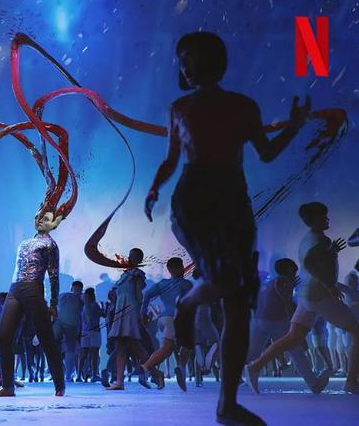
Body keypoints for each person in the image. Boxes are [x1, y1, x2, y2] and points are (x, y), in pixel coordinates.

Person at [144, 32, 311, 425]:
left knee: (238, 303)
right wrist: (154, 187)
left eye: (190, 58)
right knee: (224, 280)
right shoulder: (180, 108)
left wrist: (295, 126)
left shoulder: (242, 106)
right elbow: (172, 158)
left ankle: (227, 403)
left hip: (234, 203)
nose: (185, 67)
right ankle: (187, 303)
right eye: (182, 60)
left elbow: (265, 153)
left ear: (212, 61)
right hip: (195, 201)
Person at [245, 203, 359, 394]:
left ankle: (255, 366)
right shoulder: (319, 240)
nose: (327, 219)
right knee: (357, 331)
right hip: (320, 296)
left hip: (307, 297)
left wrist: (330, 253)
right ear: (313, 219)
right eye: (323, 216)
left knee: (293, 337)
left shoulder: (310, 240)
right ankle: (351, 381)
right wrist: (329, 285)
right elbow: (311, 263)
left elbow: (314, 261)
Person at [0, 211, 66, 397]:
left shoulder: (50, 245)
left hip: (33, 289)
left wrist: (53, 303)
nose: (40, 220)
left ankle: (59, 385)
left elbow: (53, 275)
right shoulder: (23, 243)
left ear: (54, 224)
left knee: (46, 338)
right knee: (3, 337)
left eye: (46, 219)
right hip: (15, 288)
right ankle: (8, 386)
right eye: (38, 217)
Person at [246, 258, 329, 392]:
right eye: (294, 270)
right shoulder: (283, 281)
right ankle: (314, 383)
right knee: (296, 351)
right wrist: (294, 321)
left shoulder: (270, 282)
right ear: (290, 270)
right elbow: (286, 301)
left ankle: (232, 373)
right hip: (275, 321)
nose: (296, 273)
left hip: (259, 320)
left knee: (253, 352)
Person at [139, 257, 193, 391]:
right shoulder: (187, 284)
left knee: (184, 344)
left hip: (163, 319)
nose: (183, 269)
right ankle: (145, 368)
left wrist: (143, 313)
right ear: (176, 268)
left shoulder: (162, 283)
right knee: (168, 348)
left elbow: (147, 295)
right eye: (181, 266)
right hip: (174, 318)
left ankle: (180, 370)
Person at [106, 248, 155, 390]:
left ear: (139, 259)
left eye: (134, 256)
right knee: (120, 344)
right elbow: (118, 294)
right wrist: (113, 295)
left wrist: (139, 312)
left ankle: (156, 373)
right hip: (120, 308)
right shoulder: (124, 275)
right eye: (130, 255)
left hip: (130, 308)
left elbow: (139, 294)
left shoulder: (137, 274)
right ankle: (119, 382)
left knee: (132, 343)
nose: (130, 258)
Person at [54, 280, 84, 382]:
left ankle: (64, 373)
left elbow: (56, 307)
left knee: (59, 348)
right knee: (70, 350)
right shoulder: (81, 297)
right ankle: (67, 375)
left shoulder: (63, 295)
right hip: (71, 325)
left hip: (61, 323)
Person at [78, 288, 104, 382]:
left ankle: (79, 375)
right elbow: (103, 314)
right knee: (95, 354)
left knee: (84, 354)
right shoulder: (95, 305)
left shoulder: (84, 307)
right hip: (94, 331)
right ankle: (94, 374)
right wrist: (103, 306)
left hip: (84, 332)